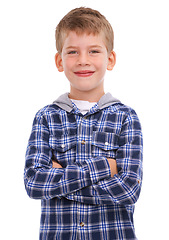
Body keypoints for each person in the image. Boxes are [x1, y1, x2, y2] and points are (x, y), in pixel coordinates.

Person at [24, 7, 143, 240]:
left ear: (110, 59)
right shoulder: (46, 118)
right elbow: (34, 183)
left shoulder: (126, 117)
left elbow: (129, 189)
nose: (83, 61)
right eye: (72, 52)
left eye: (94, 51)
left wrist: (60, 185)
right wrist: (104, 168)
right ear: (59, 61)